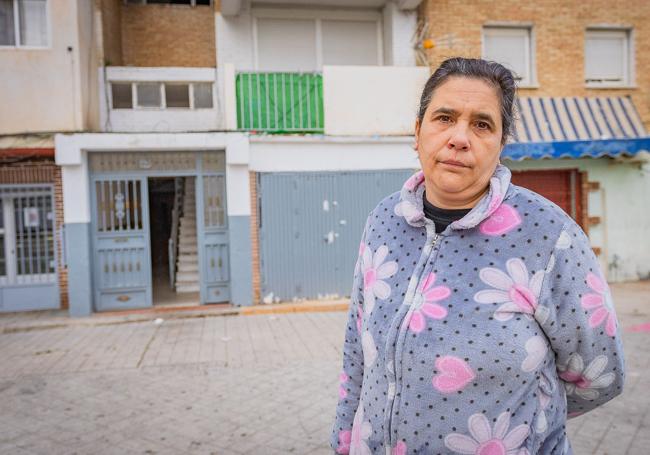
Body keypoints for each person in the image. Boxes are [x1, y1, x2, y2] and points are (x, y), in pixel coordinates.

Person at [330, 57, 625, 455]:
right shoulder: (383, 221)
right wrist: (344, 443)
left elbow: (599, 373)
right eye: (444, 118)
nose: (459, 137)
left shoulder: (548, 235)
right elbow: (357, 357)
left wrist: (523, 425)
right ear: (417, 132)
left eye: (482, 124)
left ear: (501, 145)